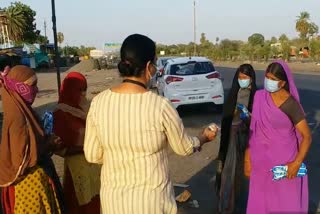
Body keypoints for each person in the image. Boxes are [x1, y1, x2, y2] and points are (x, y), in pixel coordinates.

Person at [83, 34, 219, 214]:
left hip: (113, 203)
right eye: (154, 64)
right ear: (148, 66)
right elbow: (184, 148)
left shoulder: (99, 102)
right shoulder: (160, 106)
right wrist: (203, 137)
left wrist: (119, 154)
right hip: (152, 203)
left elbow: (92, 155)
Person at [246, 60, 312, 213]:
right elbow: (253, 130)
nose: (268, 81)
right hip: (261, 162)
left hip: (284, 164)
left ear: (283, 83)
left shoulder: (290, 104)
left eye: (273, 79)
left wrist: (296, 164)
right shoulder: (259, 96)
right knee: (261, 203)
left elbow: (307, 136)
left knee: (284, 204)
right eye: (267, 77)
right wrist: (247, 158)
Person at [0, 65, 63, 214]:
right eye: (32, 85)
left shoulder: (24, 111)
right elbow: (21, 160)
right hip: (28, 189)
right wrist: (47, 145)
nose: (36, 90)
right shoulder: (17, 117)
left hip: (35, 185)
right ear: (19, 87)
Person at [53, 72, 101, 214]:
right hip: (77, 172)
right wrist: (85, 149)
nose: (83, 93)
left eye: (84, 89)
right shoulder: (61, 113)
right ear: (68, 89)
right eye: (79, 89)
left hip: (96, 168)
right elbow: (59, 148)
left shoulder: (88, 108)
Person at [215, 64, 257, 213]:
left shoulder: (256, 96)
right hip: (232, 140)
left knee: (246, 177)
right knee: (230, 174)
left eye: (245, 77)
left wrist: (248, 117)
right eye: (240, 77)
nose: (242, 80)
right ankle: (228, 205)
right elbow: (227, 117)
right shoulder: (234, 93)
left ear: (251, 79)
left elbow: (259, 122)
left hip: (248, 141)